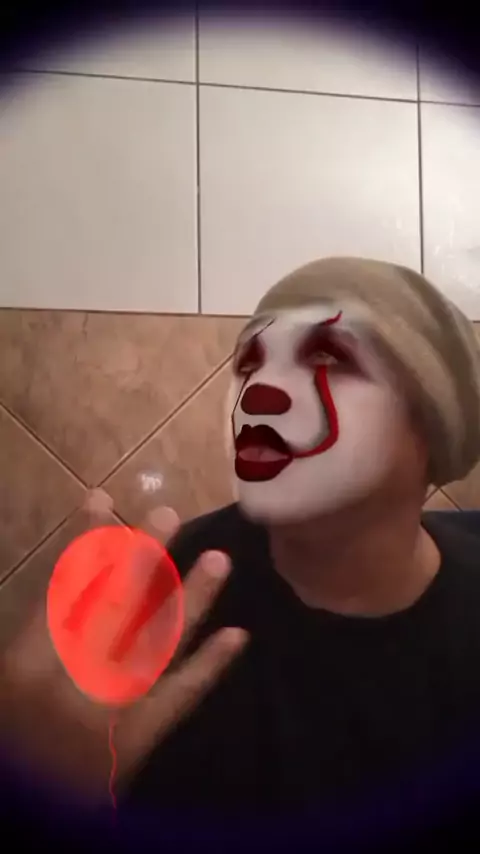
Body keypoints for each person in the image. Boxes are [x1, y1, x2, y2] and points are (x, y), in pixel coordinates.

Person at [3, 257, 480, 843]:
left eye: (329, 358)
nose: (260, 392)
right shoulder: (158, 599)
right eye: (250, 362)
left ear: (433, 423)